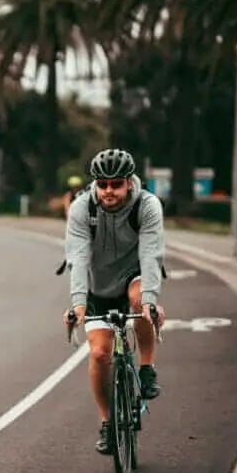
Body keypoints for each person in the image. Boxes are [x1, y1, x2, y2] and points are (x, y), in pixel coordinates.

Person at [62, 148, 167, 455]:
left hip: (133, 274)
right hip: (97, 283)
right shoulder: (82, 208)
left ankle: (147, 369)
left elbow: (151, 254)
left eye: (116, 184)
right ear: (95, 184)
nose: (109, 191)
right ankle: (108, 423)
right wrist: (78, 304)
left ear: (129, 184)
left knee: (139, 302)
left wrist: (150, 300)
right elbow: (78, 257)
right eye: (103, 185)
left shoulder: (147, 206)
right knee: (98, 353)